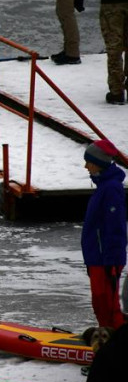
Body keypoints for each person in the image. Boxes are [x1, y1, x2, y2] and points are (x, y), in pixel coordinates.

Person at [81, 139, 126, 330]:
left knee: (108, 304)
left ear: (98, 163)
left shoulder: (111, 189)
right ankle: (107, 337)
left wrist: (111, 262)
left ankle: (116, 341)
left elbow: (115, 228)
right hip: (96, 257)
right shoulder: (103, 187)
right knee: (100, 303)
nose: (85, 166)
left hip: (106, 259)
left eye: (88, 162)